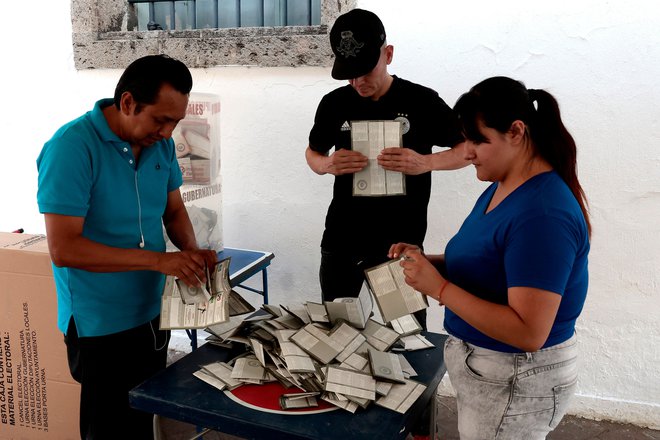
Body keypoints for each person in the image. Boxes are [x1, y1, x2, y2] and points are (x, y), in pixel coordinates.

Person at [392, 76, 591, 439]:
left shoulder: (543, 213)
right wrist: (427, 264)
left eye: (477, 140)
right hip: (492, 370)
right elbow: (490, 262)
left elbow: (529, 331)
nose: (466, 151)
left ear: (516, 132)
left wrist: (438, 288)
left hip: (516, 377)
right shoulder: (504, 184)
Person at [36, 54, 218, 440]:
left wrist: (191, 251)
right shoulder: (71, 148)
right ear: (128, 103)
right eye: (160, 120)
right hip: (98, 322)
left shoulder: (161, 147)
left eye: (175, 122)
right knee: (109, 427)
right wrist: (159, 261)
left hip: (152, 311)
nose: (168, 133)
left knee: (146, 418)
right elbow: (64, 249)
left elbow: (173, 208)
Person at [305, 8, 467, 329]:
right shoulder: (334, 103)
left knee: (407, 334)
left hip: (399, 245)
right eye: (349, 73)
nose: (358, 81)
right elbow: (313, 153)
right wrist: (327, 165)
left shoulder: (422, 101)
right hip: (341, 240)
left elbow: (468, 150)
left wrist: (425, 162)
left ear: (388, 54)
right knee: (339, 333)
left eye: (365, 70)